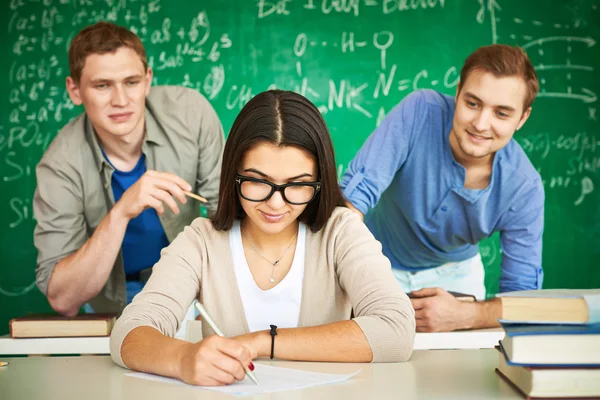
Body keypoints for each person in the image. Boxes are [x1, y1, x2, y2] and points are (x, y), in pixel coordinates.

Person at [109, 90, 415, 386]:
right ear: (233, 174)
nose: (276, 204)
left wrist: (260, 342)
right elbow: (128, 332)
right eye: (257, 182)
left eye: (298, 185)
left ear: (319, 182)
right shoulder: (200, 242)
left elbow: (395, 331)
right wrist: (183, 358)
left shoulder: (341, 232)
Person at [340, 44, 544, 332]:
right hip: (375, 261)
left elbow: (523, 298)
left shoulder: (525, 188)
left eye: (501, 114)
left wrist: (467, 315)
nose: (481, 124)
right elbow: (354, 198)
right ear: (458, 92)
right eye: (472, 103)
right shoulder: (420, 110)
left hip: (457, 283)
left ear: (522, 118)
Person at [33, 22, 224, 316]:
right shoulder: (58, 166)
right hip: (112, 303)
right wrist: (122, 212)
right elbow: (63, 299)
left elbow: (227, 216)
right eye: (102, 85)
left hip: (194, 285)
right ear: (75, 90)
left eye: (131, 82)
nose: (121, 101)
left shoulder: (191, 113)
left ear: (147, 80)